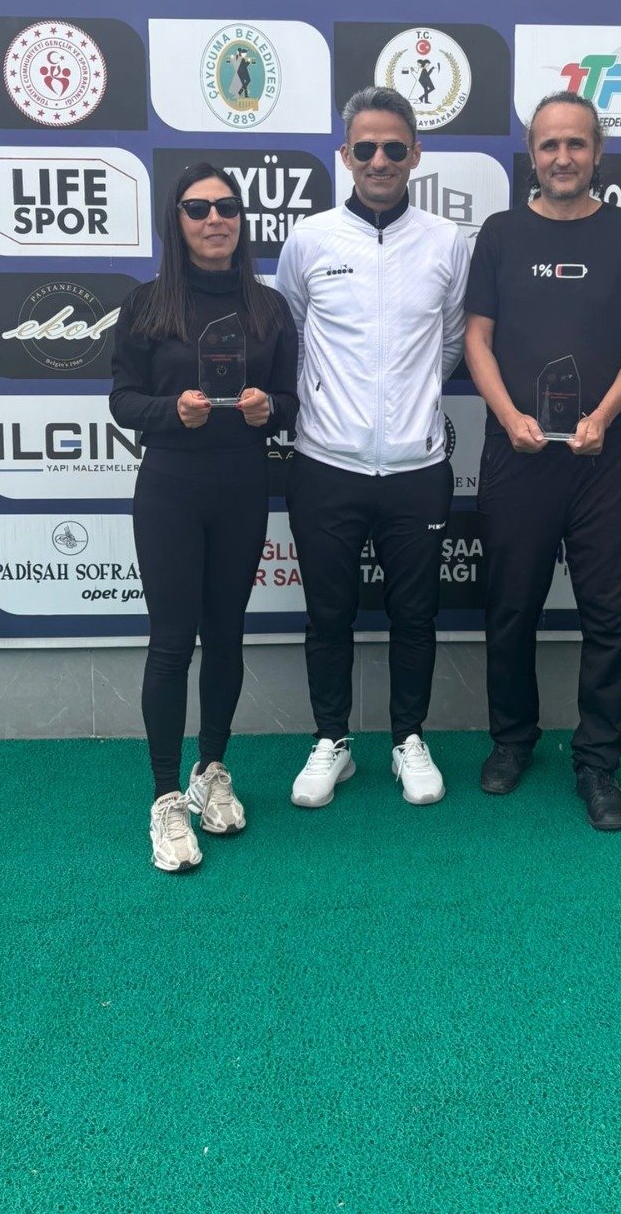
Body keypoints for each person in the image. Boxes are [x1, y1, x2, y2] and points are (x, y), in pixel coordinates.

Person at [463, 91, 621, 831]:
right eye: (549, 144)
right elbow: (477, 339)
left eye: (575, 144)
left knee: (611, 616)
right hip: (517, 452)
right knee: (510, 608)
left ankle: (598, 763)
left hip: (604, 458)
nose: (562, 157)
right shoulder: (500, 233)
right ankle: (512, 741)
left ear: (597, 151)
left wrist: (603, 417)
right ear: (532, 152)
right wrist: (507, 416)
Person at [274, 86, 470, 808]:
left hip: (418, 468)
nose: (379, 160)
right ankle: (332, 740)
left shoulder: (447, 242)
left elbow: (452, 340)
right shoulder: (310, 238)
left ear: (415, 154)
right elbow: (293, 336)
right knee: (328, 614)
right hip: (326, 464)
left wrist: (407, 409)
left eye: (393, 147)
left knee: (415, 615)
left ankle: (408, 739)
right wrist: (333, 407)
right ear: (346, 156)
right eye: (366, 148)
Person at [110, 163, 299, 873]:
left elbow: (291, 398)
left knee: (226, 635)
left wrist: (268, 409)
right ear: (177, 219)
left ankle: (210, 769)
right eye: (198, 208)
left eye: (226, 206)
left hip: (242, 483)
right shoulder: (147, 304)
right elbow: (122, 400)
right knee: (171, 642)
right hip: (171, 485)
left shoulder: (268, 308)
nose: (214, 218)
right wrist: (172, 411)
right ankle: (165, 796)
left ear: (241, 219)